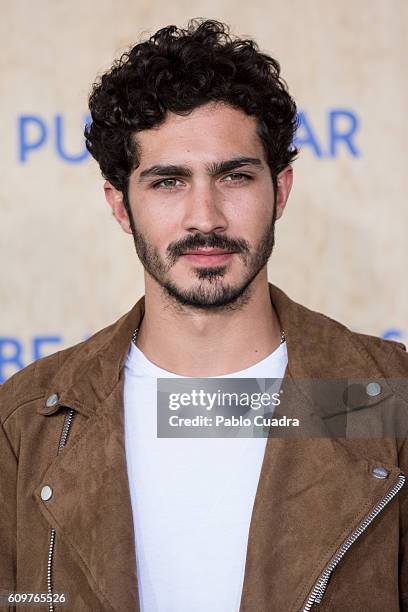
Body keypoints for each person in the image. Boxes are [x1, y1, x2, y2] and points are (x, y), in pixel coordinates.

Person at [1, 18, 407, 612]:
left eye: (235, 176)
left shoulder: (386, 398)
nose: (205, 216)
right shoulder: (31, 417)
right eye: (168, 182)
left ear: (281, 190)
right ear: (120, 205)